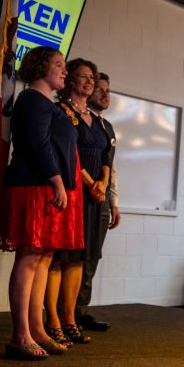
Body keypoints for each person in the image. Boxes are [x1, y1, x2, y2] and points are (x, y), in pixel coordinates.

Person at [0, 46, 83, 360]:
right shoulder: (32, 99)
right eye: (58, 65)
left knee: (43, 259)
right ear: (40, 67)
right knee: (30, 257)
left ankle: (37, 330)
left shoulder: (48, 103)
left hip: (47, 186)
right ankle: (20, 335)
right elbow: (37, 143)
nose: (64, 70)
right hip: (34, 185)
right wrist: (56, 179)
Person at [45, 58, 113, 347]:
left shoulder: (98, 120)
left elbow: (107, 157)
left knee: (80, 259)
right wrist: (89, 183)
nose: (89, 82)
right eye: (83, 77)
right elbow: (68, 152)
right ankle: (53, 320)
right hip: (72, 192)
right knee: (60, 258)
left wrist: (103, 184)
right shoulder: (62, 112)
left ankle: (70, 318)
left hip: (95, 196)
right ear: (69, 79)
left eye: (92, 78)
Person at [75, 72, 120, 331]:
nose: (105, 94)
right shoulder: (75, 119)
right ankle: (62, 313)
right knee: (72, 257)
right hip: (80, 194)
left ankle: (81, 311)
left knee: (92, 256)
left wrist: (113, 202)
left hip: (102, 199)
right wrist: (92, 184)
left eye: (108, 90)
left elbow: (111, 168)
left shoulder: (107, 128)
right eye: (99, 89)